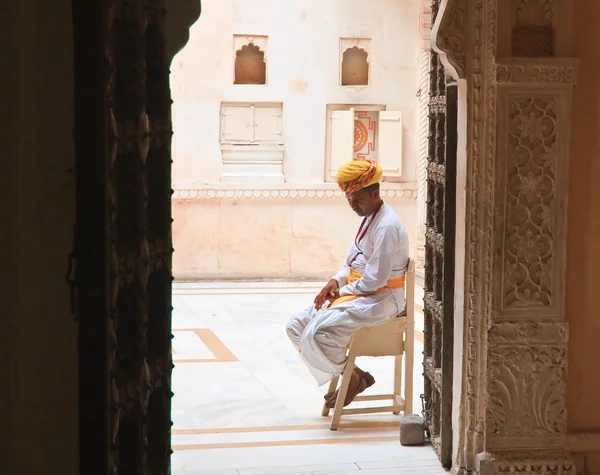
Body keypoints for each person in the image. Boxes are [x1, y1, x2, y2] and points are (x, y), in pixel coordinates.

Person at [286, 159, 410, 409]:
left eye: (357, 199)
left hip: (382, 299)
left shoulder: (386, 226)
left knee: (319, 332)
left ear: (375, 193)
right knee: (296, 326)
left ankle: (352, 376)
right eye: (349, 199)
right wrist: (335, 281)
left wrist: (342, 292)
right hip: (361, 293)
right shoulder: (369, 217)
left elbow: (374, 280)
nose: (353, 205)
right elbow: (353, 262)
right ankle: (352, 375)